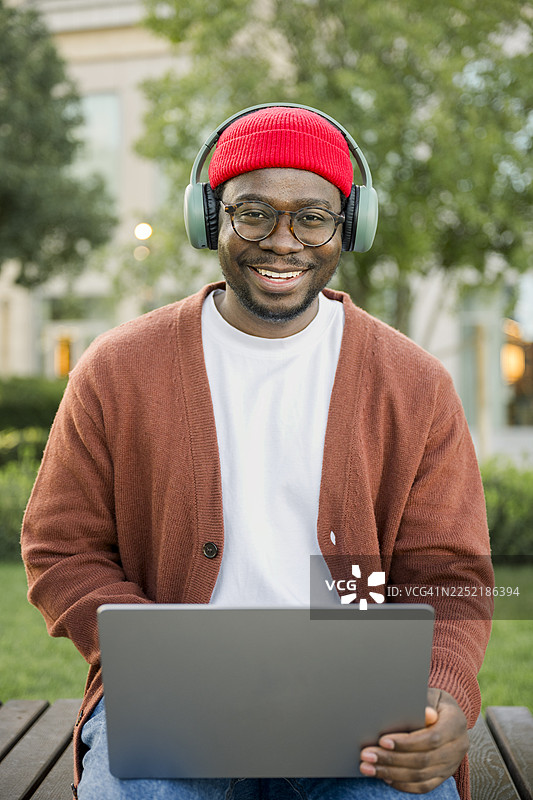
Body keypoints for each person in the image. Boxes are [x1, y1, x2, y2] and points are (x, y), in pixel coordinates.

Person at [21, 105, 492, 800]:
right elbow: (61, 548)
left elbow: (446, 575)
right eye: (253, 213)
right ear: (209, 219)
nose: (282, 241)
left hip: (357, 721)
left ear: (348, 227)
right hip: (170, 710)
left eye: (311, 217)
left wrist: (443, 695)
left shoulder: (413, 384)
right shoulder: (117, 369)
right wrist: (152, 654)